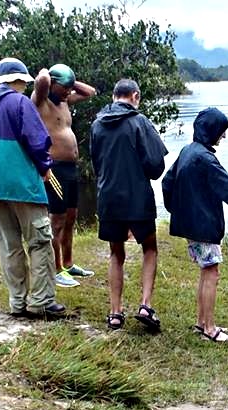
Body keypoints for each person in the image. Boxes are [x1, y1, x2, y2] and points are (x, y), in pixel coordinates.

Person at [0, 57, 67, 320]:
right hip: (21, 183)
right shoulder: (19, 102)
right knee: (39, 240)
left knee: (8, 243)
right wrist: (45, 166)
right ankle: (42, 301)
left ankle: (17, 301)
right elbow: (37, 141)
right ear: (19, 80)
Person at [162, 107, 228, 343]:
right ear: (212, 130)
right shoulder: (205, 159)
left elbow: (167, 183)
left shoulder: (188, 151)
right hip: (203, 225)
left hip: (192, 224)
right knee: (212, 273)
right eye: (222, 131)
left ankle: (202, 323)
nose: (224, 136)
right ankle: (210, 328)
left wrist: (177, 210)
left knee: (206, 271)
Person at [90, 79, 168, 332]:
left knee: (116, 253)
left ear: (114, 97)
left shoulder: (97, 124)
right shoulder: (139, 122)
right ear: (134, 96)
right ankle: (145, 305)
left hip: (109, 198)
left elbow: (96, 164)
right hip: (137, 198)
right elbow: (156, 167)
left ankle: (115, 313)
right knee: (150, 249)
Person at [31, 63, 97, 289]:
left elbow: (90, 92)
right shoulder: (41, 101)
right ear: (53, 84)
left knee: (71, 217)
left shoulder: (64, 100)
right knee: (56, 220)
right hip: (54, 167)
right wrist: (47, 74)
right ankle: (56, 269)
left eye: (70, 88)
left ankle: (68, 264)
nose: (69, 92)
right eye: (65, 88)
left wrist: (69, 81)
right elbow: (41, 82)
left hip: (70, 168)